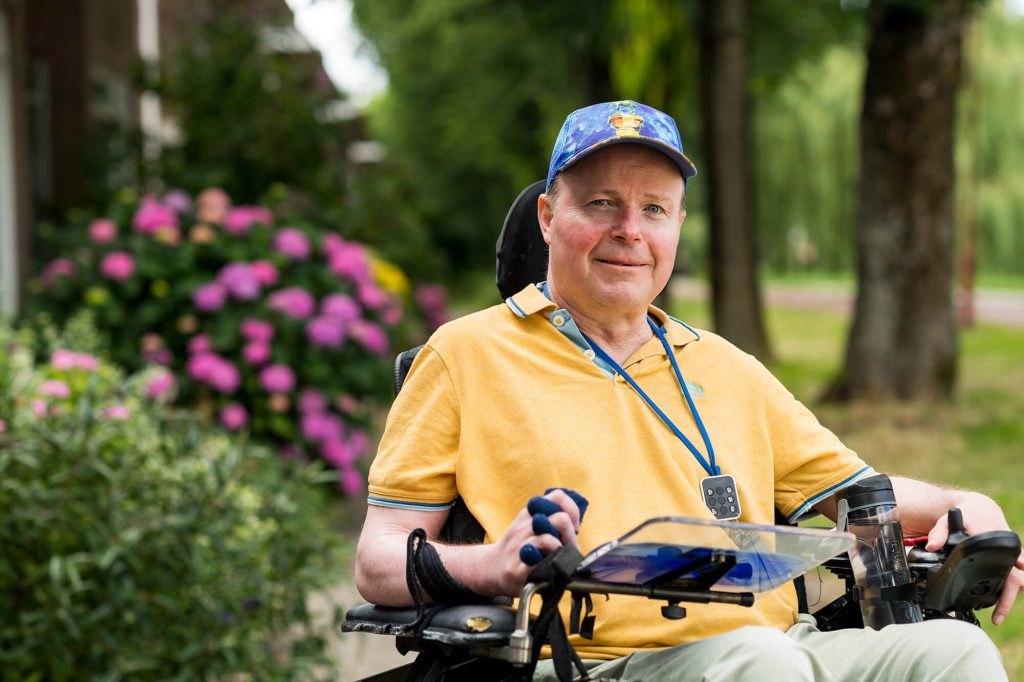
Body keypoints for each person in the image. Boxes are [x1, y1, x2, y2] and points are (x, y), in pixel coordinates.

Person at [355, 100, 1022, 681]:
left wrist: (969, 502)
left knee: (952, 651)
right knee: (762, 665)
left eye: (654, 209)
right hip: (599, 663)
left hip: (783, 647)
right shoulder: (464, 355)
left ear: (677, 226)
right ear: (548, 217)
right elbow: (378, 560)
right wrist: (490, 566)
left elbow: (863, 497)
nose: (630, 231)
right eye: (601, 204)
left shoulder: (729, 368)